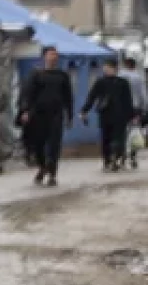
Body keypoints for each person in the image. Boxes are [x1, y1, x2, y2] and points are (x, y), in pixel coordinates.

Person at [16, 44, 74, 186]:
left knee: (54, 144)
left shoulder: (62, 76)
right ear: (44, 57)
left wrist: (69, 115)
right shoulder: (36, 75)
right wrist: (25, 111)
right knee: (38, 144)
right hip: (38, 114)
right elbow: (27, 94)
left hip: (56, 114)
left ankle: (52, 174)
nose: (53, 57)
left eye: (55, 55)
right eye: (50, 54)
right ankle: (42, 167)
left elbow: (68, 97)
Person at [84, 51, 138, 175]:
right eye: (105, 67)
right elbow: (92, 97)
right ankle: (109, 159)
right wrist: (85, 110)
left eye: (108, 67)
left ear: (115, 69)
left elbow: (128, 100)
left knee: (117, 138)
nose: (106, 69)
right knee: (107, 137)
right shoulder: (101, 82)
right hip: (107, 114)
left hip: (118, 115)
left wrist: (132, 115)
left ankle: (113, 158)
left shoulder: (122, 82)